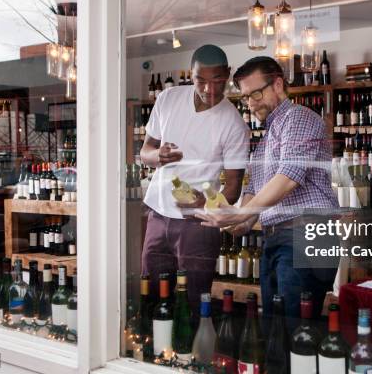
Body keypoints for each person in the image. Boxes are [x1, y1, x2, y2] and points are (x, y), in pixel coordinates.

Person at [196, 56, 339, 328]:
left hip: (306, 235)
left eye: (256, 93)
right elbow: (252, 196)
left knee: (292, 330)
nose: (251, 104)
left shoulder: (298, 117)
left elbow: (289, 177)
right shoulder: (265, 142)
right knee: (274, 330)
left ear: (277, 84)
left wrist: (241, 214)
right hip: (277, 239)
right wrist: (233, 221)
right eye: (246, 97)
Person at [139, 45, 250, 316]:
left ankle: (189, 356)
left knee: (192, 301)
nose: (210, 90)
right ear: (191, 74)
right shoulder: (167, 99)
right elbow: (145, 153)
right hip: (157, 212)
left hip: (198, 224)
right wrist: (159, 156)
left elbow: (234, 186)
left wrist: (208, 204)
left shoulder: (234, 124)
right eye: (201, 80)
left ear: (228, 74)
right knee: (151, 294)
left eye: (218, 82)